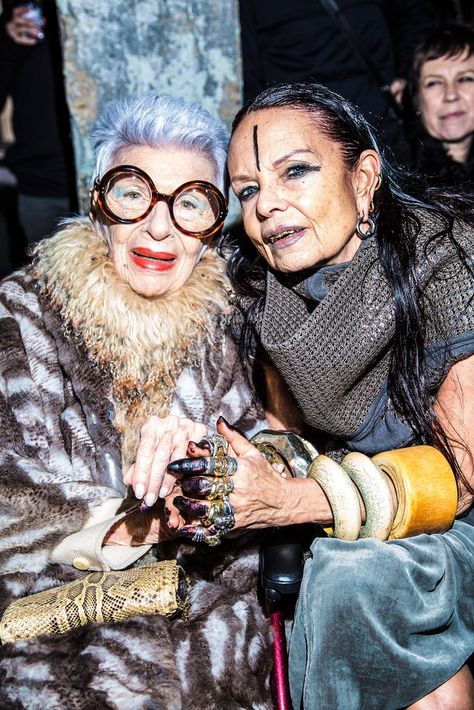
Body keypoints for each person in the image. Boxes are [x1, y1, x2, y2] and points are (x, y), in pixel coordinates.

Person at [163, 82, 473, 708]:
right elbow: (291, 438)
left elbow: (463, 471)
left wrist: (292, 502)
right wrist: (226, 481)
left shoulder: (447, 257)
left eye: (295, 172)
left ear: (364, 178)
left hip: (455, 514)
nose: (266, 207)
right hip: (348, 519)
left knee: (359, 576)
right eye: (248, 191)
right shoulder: (258, 292)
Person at [0, 92, 274, 708]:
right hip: (58, 618)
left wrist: (207, 470)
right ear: (98, 206)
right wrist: (138, 518)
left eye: (191, 205)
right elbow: (9, 494)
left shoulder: (223, 324)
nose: (159, 226)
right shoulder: (17, 316)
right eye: (133, 193)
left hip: (212, 621)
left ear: (211, 231)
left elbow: (269, 454)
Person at [238, 0, 433, 163]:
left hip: (377, 121)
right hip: (303, 133)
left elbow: (413, 14)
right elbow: (249, 66)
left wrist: (405, 74)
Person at [0, 0, 76, 258]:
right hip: (43, 186)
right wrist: (8, 45)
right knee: (47, 291)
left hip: (118, 178)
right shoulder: (24, 14)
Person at [407, 23, 474, 192]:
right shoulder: (398, 185)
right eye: (434, 83)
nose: (450, 95)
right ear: (417, 100)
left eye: (465, 79)